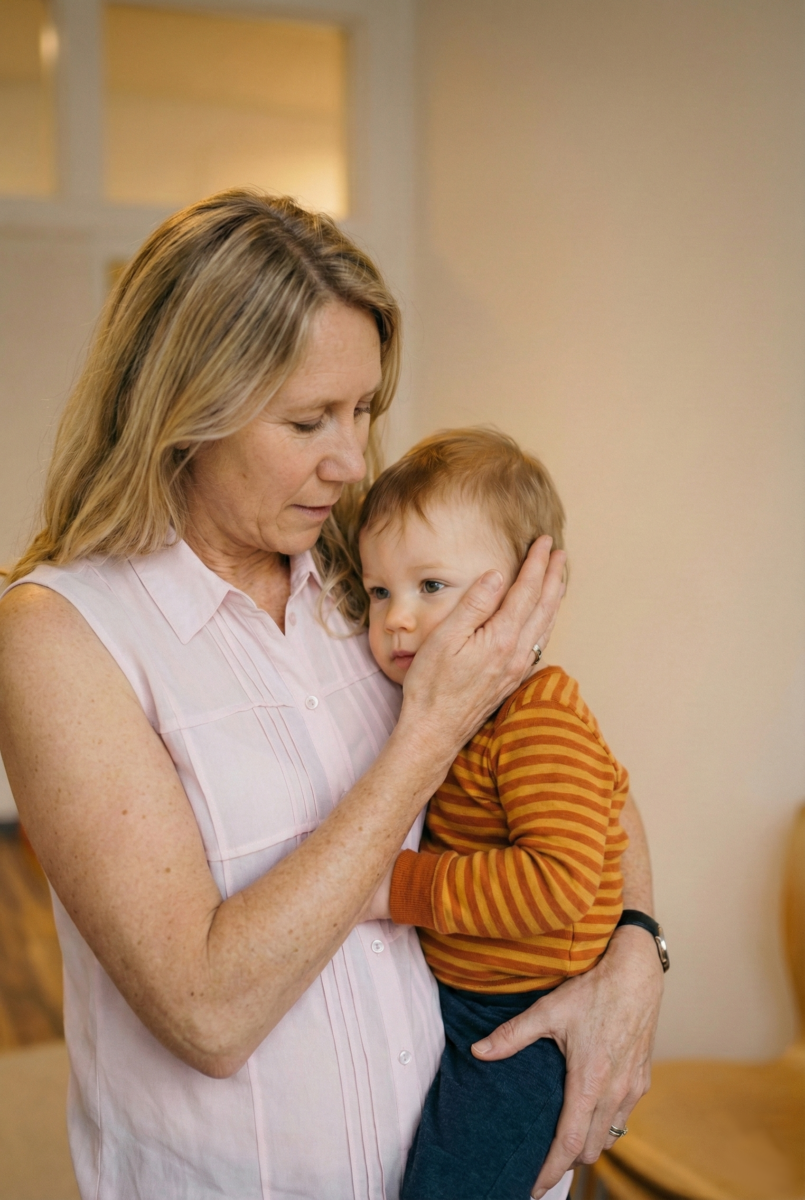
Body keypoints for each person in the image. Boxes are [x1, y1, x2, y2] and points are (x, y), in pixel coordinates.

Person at [0, 190, 663, 1200]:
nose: (350, 460)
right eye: (307, 419)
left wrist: (636, 953)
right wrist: (427, 732)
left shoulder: (374, 577)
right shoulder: (61, 635)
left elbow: (583, 776)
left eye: (363, 410)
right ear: (185, 407)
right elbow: (206, 1014)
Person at [357, 429, 634, 1199]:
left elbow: (556, 883)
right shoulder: (455, 709)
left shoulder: (536, 717)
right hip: (463, 997)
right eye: (379, 592)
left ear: (523, 595)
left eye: (431, 587)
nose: (397, 620)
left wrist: (395, 890)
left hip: (521, 1024)